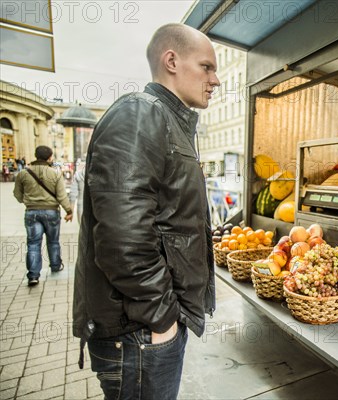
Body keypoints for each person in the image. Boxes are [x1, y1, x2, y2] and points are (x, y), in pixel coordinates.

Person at [72, 23, 220, 400]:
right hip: (139, 330)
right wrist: (162, 318)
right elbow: (122, 239)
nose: (215, 79)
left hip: (144, 327)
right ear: (171, 61)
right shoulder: (141, 114)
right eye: (206, 67)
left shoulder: (169, 121)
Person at [13, 145, 73, 286]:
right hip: (51, 212)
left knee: (33, 243)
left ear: (36, 155)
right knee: (53, 241)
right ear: (50, 157)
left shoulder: (23, 173)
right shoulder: (54, 173)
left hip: (31, 212)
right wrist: (69, 211)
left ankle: (33, 275)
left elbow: (17, 194)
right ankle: (55, 265)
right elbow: (62, 195)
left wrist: (29, 201)